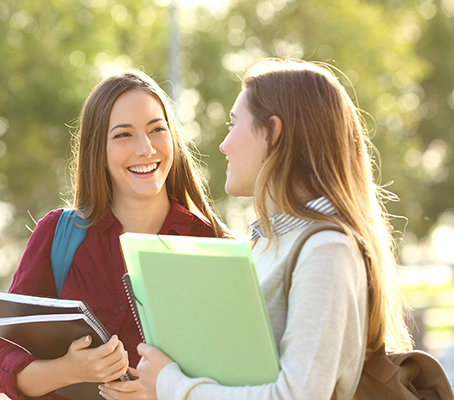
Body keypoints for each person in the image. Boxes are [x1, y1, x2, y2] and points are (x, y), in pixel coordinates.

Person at [118, 59, 413, 400]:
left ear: (273, 132)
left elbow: (297, 396)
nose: (224, 145)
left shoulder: (327, 250)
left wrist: (173, 386)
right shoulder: (269, 242)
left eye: (233, 124)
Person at [0, 70, 228, 400]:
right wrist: (69, 370)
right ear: (97, 149)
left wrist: (163, 392)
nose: (145, 149)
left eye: (157, 129)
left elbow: (239, 379)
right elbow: (4, 361)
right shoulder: (58, 235)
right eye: (123, 135)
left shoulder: (213, 246)